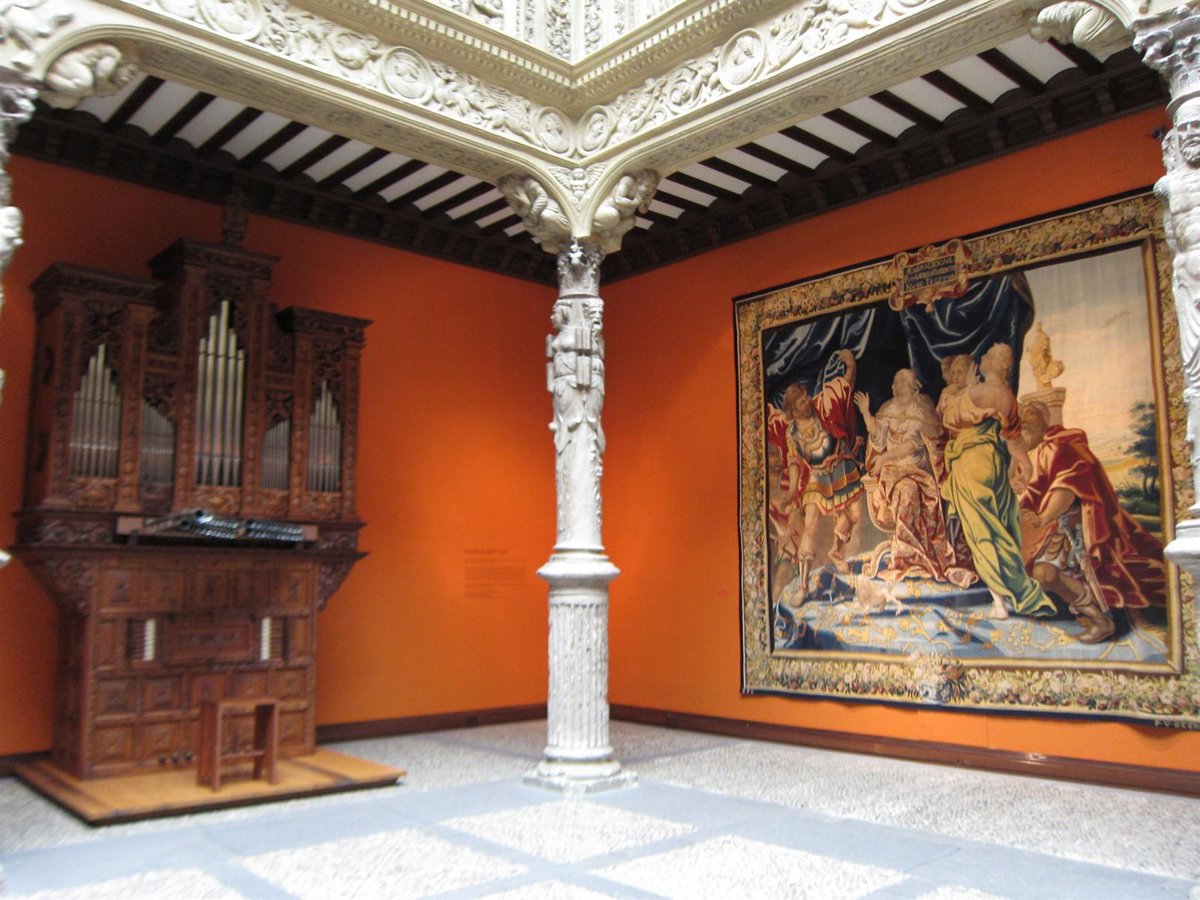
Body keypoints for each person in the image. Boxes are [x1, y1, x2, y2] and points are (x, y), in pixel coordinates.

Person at [1017, 399, 1166, 642]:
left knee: (1048, 574)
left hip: (1078, 526)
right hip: (1058, 526)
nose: (1022, 440)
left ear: (1035, 425)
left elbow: (1066, 487)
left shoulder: (1060, 447)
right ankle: (1100, 619)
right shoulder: (1044, 450)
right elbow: (1035, 490)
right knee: (1043, 574)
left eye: (1023, 431)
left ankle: (1102, 621)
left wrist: (1042, 518)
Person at [937, 346, 1056, 620]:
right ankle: (1015, 592)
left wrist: (966, 389)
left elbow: (949, 418)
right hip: (994, 465)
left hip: (972, 464)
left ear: (999, 363)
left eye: (988, 355)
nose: (983, 358)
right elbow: (1014, 441)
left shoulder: (979, 392)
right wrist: (1026, 465)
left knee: (982, 534)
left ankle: (1000, 603)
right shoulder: (1008, 397)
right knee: (998, 528)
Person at [854, 369, 974, 588]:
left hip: (919, 472)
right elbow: (878, 438)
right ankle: (907, 557)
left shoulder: (922, 408)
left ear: (913, 385)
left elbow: (911, 445)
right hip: (892, 473)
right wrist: (865, 413)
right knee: (906, 489)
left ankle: (914, 556)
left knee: (911, 489)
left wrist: (884, 458)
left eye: (899, 381)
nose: (894, 386)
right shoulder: (888, 408)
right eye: (894, 382)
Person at [767, 349, 864, 596]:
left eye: (805, 397)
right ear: (792, 410)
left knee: (854, 515)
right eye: (801, 402)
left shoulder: (822, 406)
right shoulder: (792, 433)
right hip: (818, 476)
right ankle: (803, 585)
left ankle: (836, 549)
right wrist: (792, 491)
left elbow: (844, 390)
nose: (806, 402)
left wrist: (851, 367)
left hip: (842, 468)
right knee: (809, 526)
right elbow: (795, 462)